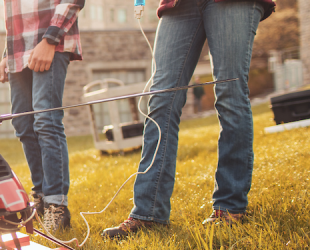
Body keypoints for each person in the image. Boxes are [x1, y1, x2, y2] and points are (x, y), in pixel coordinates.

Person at [101, 0, 275, 238]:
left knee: (229, 94)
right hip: (179, 4)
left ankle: (229, 207)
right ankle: (148, 212)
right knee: (161, 100)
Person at [0, 0, 84, 232]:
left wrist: (50, 40)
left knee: (46, 120)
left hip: (50, 40)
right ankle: (42, 199)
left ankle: (57, 205)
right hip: (18, 49)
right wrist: (7, 53)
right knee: (23, 124)